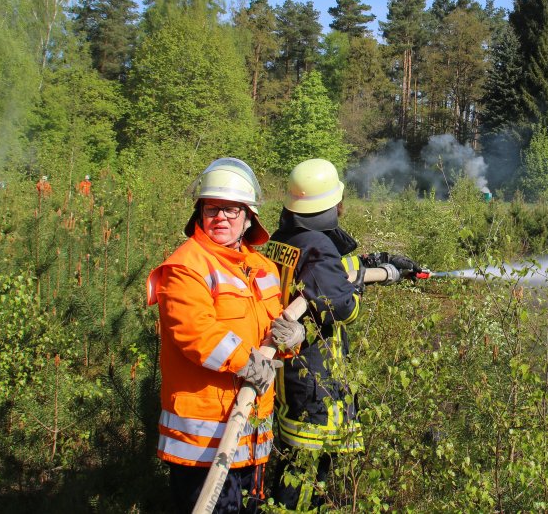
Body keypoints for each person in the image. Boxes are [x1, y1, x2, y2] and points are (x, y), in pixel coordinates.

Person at [146, 157, 304, 513]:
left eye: (232, 210)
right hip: (203, 444)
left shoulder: (262, 267)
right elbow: (196, 333)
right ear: (200, 214)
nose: (221, 217)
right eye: (212, 209)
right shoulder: (185, 266)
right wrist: (248, 362)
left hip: (252, 434)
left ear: (249, 218)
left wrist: (293, 338)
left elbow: (272, 331)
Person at [262, 158, 420, 510]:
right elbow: (343, 308)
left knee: (294, 467)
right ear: (332, 204)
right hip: (315, 380)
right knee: (304, 478)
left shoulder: (282, 240)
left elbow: (320, 276)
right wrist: (358, 286)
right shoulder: (318, 245)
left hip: (289, 376)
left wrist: (373, 263)